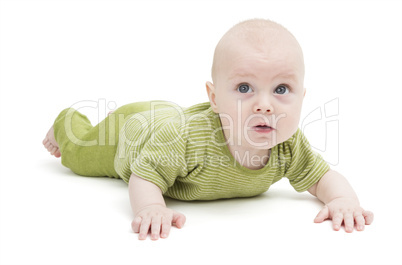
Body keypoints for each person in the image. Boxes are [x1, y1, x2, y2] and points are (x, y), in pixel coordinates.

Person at [43, 19, 374, 240]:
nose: (265, 105)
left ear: (302, 97)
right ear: (214, 98)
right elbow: (144, 176)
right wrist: (151, 208)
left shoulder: (288, 144)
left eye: (281, 89)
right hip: (131, 135)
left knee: (161, 116)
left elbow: (320, 177)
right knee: (79, 155)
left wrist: (344, 200)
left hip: (165, 115)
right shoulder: (184, 140)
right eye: (245, 88)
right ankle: (67, 122)